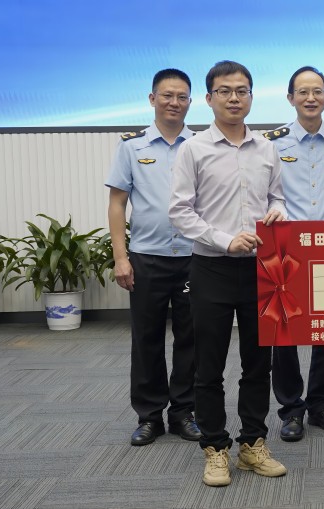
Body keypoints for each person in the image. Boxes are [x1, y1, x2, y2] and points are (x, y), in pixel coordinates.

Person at [169, 60, 287, 487]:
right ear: (209, 98)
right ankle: (215, 448)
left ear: (251, 96)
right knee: (209, 367)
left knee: (258, 363)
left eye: (241, 90)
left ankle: (252, 444)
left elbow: (277, 197)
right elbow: (179, 210)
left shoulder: (267, 148)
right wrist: (224, 240)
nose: (234, 98)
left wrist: (278, 211)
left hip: (260, 271)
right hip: (212, 268)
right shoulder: (193, 149)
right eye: (225, 91)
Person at [264, 66, 324, 442]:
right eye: (302, 92)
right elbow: (264, 195)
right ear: (290, 98)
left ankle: (321, 404)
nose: (310, 98)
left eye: (317, 91)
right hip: (284, 250)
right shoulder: (272, 143)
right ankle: (291, 409)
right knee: (284, 333)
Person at [105, 68, 201, 447]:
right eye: (167, 95)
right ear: (152, 99)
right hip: (147, 257)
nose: (174, 102)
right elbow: (117, 203)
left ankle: (183, 413)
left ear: (191, 102)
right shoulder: (132, 147)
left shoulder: (202, 145)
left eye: (181, 97)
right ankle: (148, 416)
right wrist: (121, 257)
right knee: (146, 339)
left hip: (194, 256)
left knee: (191, 338)